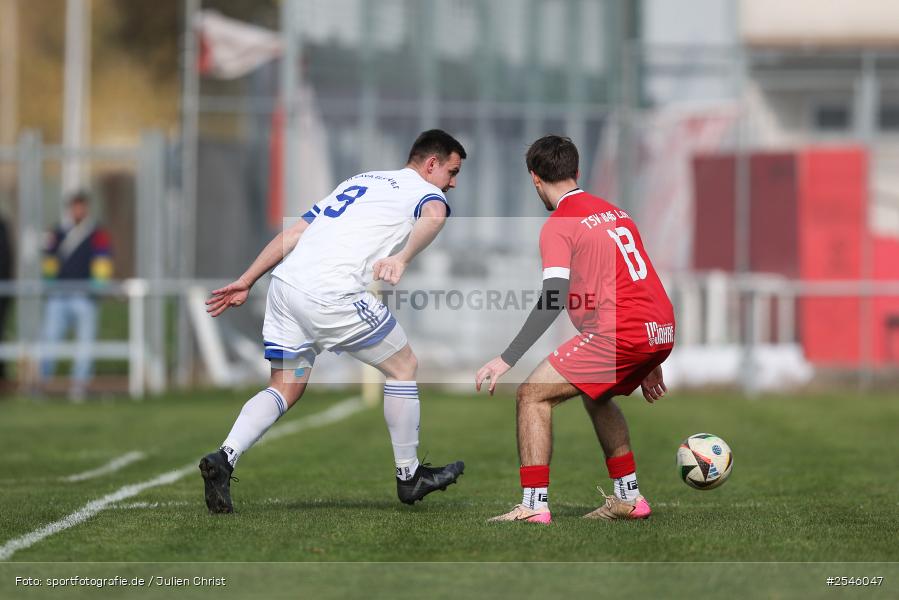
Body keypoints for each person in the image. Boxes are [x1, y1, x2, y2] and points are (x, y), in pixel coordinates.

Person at [199, 129, 467, 514]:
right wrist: (403, 258)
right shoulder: (424, 192)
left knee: (286, 387)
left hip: (285, 289)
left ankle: (225, 457)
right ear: (431, 164)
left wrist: (247, 279)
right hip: (331, 295)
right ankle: (410, 476)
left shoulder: (359, 180)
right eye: (451, 172)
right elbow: (435, 215)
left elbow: (293, 233)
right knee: (404, 365)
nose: (452, 182)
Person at [475, 135, 675, 524]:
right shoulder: (616, 212)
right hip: (658, 326)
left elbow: (553, 297)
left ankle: (533, 506)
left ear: (535, 179)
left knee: (531, 396)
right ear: (577, 171)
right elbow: (641, 278)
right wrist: (652, 354)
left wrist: (507, 358)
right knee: (595, 396)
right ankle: (628, 498)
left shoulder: (559, 224)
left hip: (621, 333)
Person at [39, 192, 113, 401]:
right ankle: (43, 382)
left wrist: (97, 288)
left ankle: (79, 386)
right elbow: (49, 260)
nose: (78, 211)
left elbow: (103, 261)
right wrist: (49, 284)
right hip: (59, 296)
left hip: (84, 297)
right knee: (49, 339)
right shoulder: (58, 232)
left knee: (85, 343)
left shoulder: (97, 234)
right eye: (75, 207)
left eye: (82, 206)